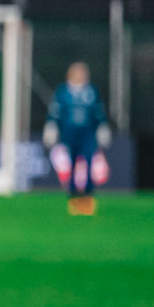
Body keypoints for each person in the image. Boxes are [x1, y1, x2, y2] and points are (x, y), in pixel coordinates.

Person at [44, 62, 110, 215]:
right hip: (69, 134)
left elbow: (98, 112)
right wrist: (51, 126)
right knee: (72, 165)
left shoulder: (91, 91)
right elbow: (55, 111)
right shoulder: (63, 91)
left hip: (87, 134)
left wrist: (102, 127)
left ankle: (87, 198)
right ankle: (73, 198)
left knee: (89, 163)